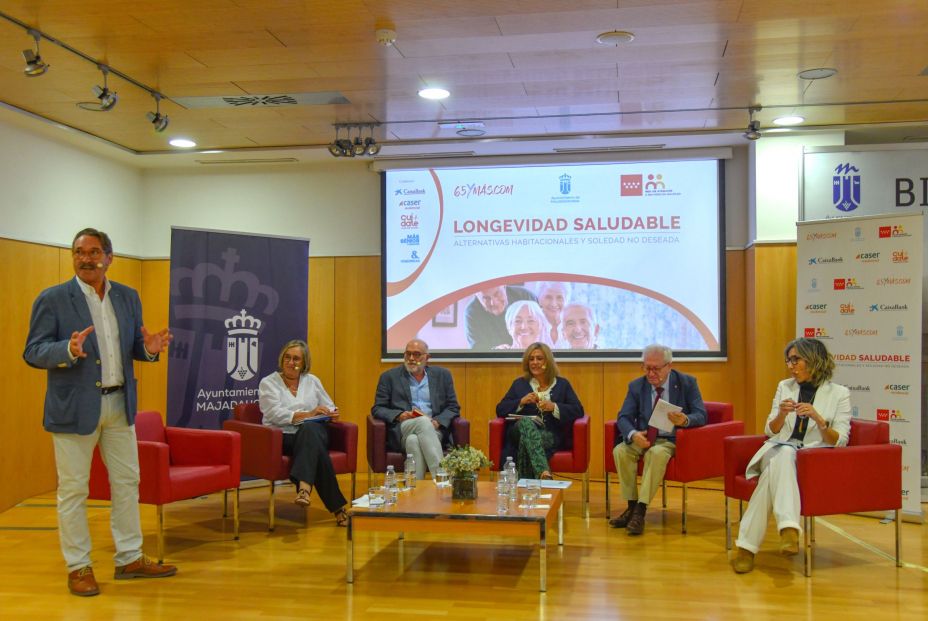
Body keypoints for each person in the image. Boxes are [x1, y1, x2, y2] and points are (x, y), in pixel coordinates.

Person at [23, 228, 176, 597]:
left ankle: (129, 558)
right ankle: (78, 567)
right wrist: (68, 350)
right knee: (73, 490)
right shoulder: (53, 299)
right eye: (79, 252)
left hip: (119, 405)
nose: (86, 258)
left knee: (127, 484)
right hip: (74, 409)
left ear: (110, 257)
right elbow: (33, 351)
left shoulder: (127, 297)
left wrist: (150, 349)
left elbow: (134, 347)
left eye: (93, 252)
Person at [732, 337, 851, 574]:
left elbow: (840, 440)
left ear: (814, 359)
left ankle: (746, 548)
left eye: (796, 359)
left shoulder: (839, 393)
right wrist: (781, 415)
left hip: (811, 459)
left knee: (769, 479)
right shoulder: (785, 387)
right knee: (785, 452)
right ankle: (788, 528)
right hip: (777, 448)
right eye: (789, 360)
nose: (791, 365)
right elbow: (770, 430)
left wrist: (819, 420)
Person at [610, 344, 706, 536]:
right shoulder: (637, 386)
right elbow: (623, 417)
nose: (651, 373)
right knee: (620, 450)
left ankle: (640, 511)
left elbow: (701, 415)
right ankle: (631, 505)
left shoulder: (687, 383)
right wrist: (633, 435)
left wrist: (686, 420)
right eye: (646, 367)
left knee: (656, 453)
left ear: (669, 366)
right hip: (643, 436)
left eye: (656, 368)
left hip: (668, 439)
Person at [257, 339, 348, 526]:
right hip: (283, 437)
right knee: (315, 445)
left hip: (313, 431)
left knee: (309, 429)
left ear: (304, 363)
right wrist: (309, 414)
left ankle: (304, 489)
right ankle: (338, 509)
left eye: (296, 359)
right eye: (288, 358)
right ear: (282, 359)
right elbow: (273, 413)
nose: (291, 362)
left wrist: (331, 412)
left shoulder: (312, 381)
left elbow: (329, 404)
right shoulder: (268, 383)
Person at [372, 339, 461, 479]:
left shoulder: (442, 375)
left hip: (433, 429)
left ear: (427, 358)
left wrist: (437, 422)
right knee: (423, 422)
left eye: (417, 354)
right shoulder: (389, 377)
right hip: (403, 427)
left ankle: (414, 488)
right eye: (408, 354)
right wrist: (399, 415)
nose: (411, 358)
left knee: (413, 440)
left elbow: (453, 407)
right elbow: (377, 408)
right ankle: (441, 478)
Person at [495, 342, 584, 479]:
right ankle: (543, 471)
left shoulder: (562, 384)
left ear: (547, 361)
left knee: (527, 443)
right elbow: (500, 409)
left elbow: (578, 410)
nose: (535, 362)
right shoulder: (519, 384)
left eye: (539, 358)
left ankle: (525, 490)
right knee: (525, 423)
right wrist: (520, 402)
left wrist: (554, 407)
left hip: (549, 435)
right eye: (531, 359)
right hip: (517, 433)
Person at [464, 284, 536, 349]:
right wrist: (495, 351)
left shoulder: (525, 296)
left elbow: (544, 329)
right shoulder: (472, 312)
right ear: (477, 297)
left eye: (497, 294)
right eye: (486, 298)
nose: (494, 303)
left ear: (504, 287)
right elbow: (477, 349)